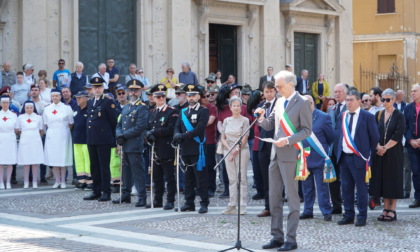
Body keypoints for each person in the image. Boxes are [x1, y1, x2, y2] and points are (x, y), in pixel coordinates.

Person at [256, 70, 312, 251]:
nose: (276, 89)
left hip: (290, 155)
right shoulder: (279, 102)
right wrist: (261, 118)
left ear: (290, 84)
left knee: (292, 198)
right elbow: (271, 124)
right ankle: (277, 236)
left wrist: (287, 140)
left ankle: (291, 238)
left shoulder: (302, 102)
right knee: (274, 198)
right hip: (275, 155)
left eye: (279, 86)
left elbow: (306, 131)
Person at [335, 90, 379, 227]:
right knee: (346, 189)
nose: (348, 102)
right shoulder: (342, 116)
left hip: (359, 158)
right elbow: (339, 135)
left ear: (359, 101)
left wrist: (367, 155)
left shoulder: (367, 117)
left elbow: (374, 138)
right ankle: (348, 215)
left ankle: (362, 216)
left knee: (361, 190)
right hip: (344, 158)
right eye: (347, 100)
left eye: (351, 100)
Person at [173, 84, 210, 213]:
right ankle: (189, 202)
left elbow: (199, 129)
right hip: (185, 148)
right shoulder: (183, 112)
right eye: (189, 95)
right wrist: (176, 135)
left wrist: (182, 136)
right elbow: (177, 126)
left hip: (197, 149)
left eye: (193, 95)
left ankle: (204, 203)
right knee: (188, 178)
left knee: (200, 178)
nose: (191, 98)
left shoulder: (203, 111)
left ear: (199, 96)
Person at [369, 88, 405, 222]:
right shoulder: (378, 114)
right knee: (382, 180)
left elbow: (398, 134)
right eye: (383, 99)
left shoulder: (399, 115)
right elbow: (373, 132)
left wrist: (385, 147)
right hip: (380, 152)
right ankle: (385, 208)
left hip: (394, 152)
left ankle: (392, 209)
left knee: (393, 179)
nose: (385, 102)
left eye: (388, 99)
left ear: (394, 100)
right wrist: (378, 147)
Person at [83, 77, 120, 202]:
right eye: (94, 87)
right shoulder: (90, 102)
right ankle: (96, 190)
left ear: (103, 88)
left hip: (104, 139)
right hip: (92, 138)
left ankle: (106, 192)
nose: (97, 89)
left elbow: (113, 121)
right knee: (94, 167)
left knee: (104, 167)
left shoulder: (108, 102)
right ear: (92, 89)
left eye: (99, 87)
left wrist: (114, 139)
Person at [114, 79, 148, 207]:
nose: (133, 92)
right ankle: (126, 195)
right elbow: (119, 124)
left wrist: (123, 135)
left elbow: (140, 126)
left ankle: (142, 197)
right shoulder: (127, 107)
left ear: (140, 91)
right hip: (124, 144)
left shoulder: (142, 107)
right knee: (125, 171)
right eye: (131, 90)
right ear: (128, 91)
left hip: (135, 144)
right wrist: (118, 135)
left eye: (136, 90)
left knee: (137, 172)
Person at [300, 95, 334, 221]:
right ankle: (308, 210)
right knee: (306, 187)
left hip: (319, 157)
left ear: (313, 103)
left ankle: (326, 211)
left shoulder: (323, 117)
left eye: (308, 103)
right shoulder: (299, 118)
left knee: (322, 187)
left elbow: (330, 137)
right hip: (305, 157)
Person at [145, 84, 178, 209]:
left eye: (162, 96)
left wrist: (153, 132)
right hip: (154, 148)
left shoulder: (171, 111)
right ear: (153, 97)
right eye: (157, 96)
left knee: (169, 176)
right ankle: (157, 199)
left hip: (166, 147)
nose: (160, 98)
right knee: (156, 176)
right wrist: (148, 135)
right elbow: (146, 128)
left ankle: (170, 200)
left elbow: (170, 129)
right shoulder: (152, 112)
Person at [220, 96, 250, 215]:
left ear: (241, 107)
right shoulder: (227, 120)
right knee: (232, 179)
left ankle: (243, 205)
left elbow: (245, 137)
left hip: (241, 150)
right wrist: (229, 149)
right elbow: (222, 137)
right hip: (228, 150)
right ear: (230, 107)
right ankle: (232, 204)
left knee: (242, 178)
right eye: (234, 106)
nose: (236, 108)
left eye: (238, 105)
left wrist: (236, 150)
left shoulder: (245, 120)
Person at [43, 89, 74, 189]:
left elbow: (71, 123)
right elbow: (46, 123)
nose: (55, 98)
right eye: (53, 96)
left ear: (60, 97)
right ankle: (57, 181)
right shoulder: (47, 109)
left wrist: (63, 130)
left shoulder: (66, 108)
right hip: (52, 135)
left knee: (62, 158)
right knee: (54, 158)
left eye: (57, 96)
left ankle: (63, 180)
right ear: (51, 97)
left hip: (63, 134)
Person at [256, 81, 278, 218]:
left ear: (275, 91)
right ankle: (268, 206)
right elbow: (259, 126)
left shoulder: (280, 105)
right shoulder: (260, 106)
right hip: (263, 145)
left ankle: (277, 206)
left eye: (271, 91)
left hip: (276, 144)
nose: (268, 93)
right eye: (266, 91)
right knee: (266, 178)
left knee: (277, 178)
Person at [327, 83, 348, 214]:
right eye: (335, 92)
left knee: (346, 179)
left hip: (346, 148)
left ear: (345, 93)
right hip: (333, 149)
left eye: (340, 91)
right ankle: (336, 206)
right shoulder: (332, 109)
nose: (337, 94)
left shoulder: (350, 106)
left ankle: (348, 206)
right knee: (333, 179)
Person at [17, 101, 44, 189]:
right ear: (24, 108)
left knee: (35, 162)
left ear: (33, 108)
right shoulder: (20, 117)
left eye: (31, 108)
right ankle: (26, 182)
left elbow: (41, 131)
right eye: (27, 108)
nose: (29, 109)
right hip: (25, 141)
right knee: (26, 162)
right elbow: (18, 130)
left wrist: (34, 136)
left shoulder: (38, 117)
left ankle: (35, 182)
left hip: (35, 140)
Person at [404, 84, 420, 208]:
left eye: (415, 91)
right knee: (416, 172)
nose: (412, 93)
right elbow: (405, 127)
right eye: (411, 91)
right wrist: (410, 140)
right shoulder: (408, 108)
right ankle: (418, 198)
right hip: (412, 146)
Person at [200, 90, 218, 197]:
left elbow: (210, 122)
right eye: (204, 96)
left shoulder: (212, 108)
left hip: (210, 140)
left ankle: (211, 188)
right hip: (198, 140)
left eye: (208, 96)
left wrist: (197, 125)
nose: (207, 98)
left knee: (210, 165)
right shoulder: (198, 107)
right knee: (200, 166)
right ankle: (201, 187)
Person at [72, 91, 91, 190]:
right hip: (77, 139)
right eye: (76, 98)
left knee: (88, 161)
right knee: (79, 161)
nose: (77, 100)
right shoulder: (76, 109)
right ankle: (81, 180)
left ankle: (90, 180)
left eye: (80, 98)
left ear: (86, 98)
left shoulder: (89, 109)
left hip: (86, 139)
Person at [0, 96, 18, 190]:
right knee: (0, 162)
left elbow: (16, 128)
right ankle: (1, 182)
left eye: (7, 102)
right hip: (1, 138)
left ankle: (8, 182)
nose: (5, 104)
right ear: (0, 104)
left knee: (10, 162)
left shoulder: (13, 115)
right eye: (3, 102)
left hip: (10, 138)